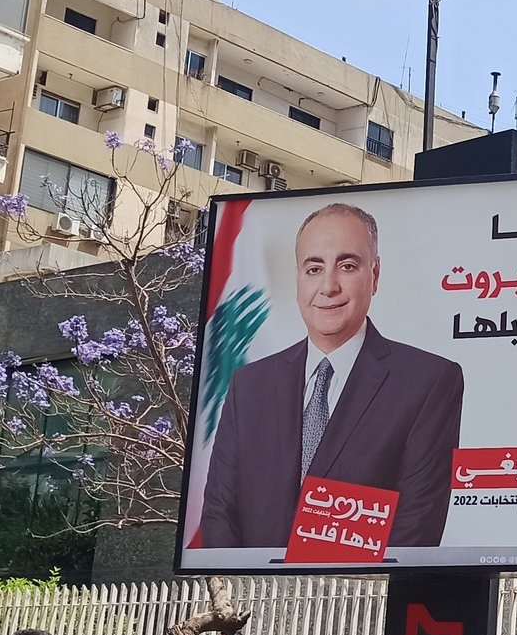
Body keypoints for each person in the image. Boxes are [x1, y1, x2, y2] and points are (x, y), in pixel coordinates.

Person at [198, 202, 462, 551]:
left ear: (375, 275)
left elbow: (416, 526)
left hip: (357, 599)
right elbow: (219, 511)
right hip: (253, 596)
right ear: (298, 277)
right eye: (313, 268)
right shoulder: (250, 385)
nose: (328, 286)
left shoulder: (428, 382)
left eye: (347, 266)